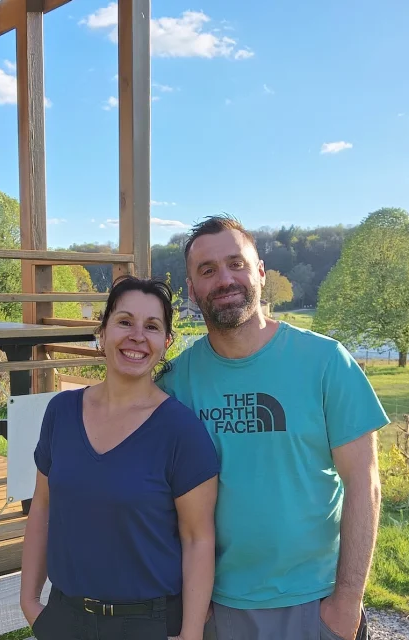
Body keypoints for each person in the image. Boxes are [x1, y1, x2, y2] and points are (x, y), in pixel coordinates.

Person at [158, 215, 389, 640]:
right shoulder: (175, 381)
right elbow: (160, 499)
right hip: (214, 606)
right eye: (207, 271)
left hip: (313, 604)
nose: (225, 279)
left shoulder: (325, 362)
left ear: (260, 272)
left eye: (236, 263)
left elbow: (364, 483)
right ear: (192, 290)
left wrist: (347, 603)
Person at [20, 276, 220, 640]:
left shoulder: (181, 430)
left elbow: (198, 539)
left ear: (166, 343)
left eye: (152, 326)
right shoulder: (61, 412)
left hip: (147, 623)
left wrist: (191, 633)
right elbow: (42, 509)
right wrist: (30, 603)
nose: (137, 336)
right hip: (65, 618)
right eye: (125, 321)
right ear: (102, 331)